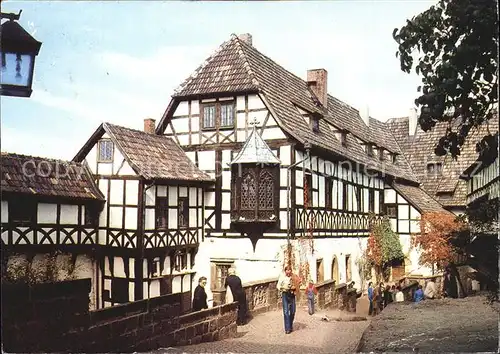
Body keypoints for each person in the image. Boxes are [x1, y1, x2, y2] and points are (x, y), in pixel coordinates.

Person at [278, 265, 300, 334]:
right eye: (287, 270)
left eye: (289, 270)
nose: (288, 272)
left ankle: (290, 325)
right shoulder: (282, 277)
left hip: (292, 294)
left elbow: (299, 282)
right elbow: (278, 286)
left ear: (291, 271)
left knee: (293, 311)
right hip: (285, 294)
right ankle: (287, 329)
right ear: (285, 271)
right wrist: (283, 288)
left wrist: (296, 285)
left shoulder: (294, 276)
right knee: (286, 312)